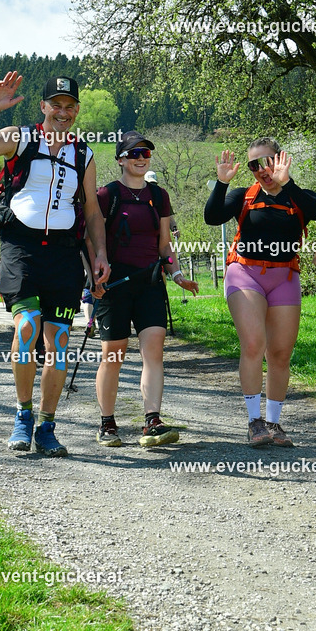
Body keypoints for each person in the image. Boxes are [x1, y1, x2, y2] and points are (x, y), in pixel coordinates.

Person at [0, 71, 110, 455]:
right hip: (21, 246)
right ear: (43, 106)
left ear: (76, 110)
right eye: (56, 105)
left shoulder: (83, 153)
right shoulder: (21, 136)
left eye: (70, 107)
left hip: (63, 253)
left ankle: (47, 425)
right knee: (28, 326)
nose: (63, 113)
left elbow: (93, 211)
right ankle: (22, 414)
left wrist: (100, 254)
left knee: (58, 342)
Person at [204, 138, 316, 447]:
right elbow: (212, 216)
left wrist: (288, 185)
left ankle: (273, 423)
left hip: (284, 276)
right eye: (254, 165)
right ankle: (254, 422)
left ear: (281, 160)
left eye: (266, 162)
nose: (261, 170)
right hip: (245, 273)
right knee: (254, 343)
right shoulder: (242, 196)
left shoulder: (297, 197)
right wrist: (221, 183)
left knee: (281, 353)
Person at [93, 131, 198, 448]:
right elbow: (92, 240)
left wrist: (177, 274)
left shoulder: (159, 196)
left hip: (151, 281)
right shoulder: (106, 195)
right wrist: (93, 278)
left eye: (146, 154)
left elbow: (164, 244)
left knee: (154, 349)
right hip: (115, 283)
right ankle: (107, 424)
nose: (141, 158)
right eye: (134, 153)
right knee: (114, 355)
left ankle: (152, 420)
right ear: (121, 159)